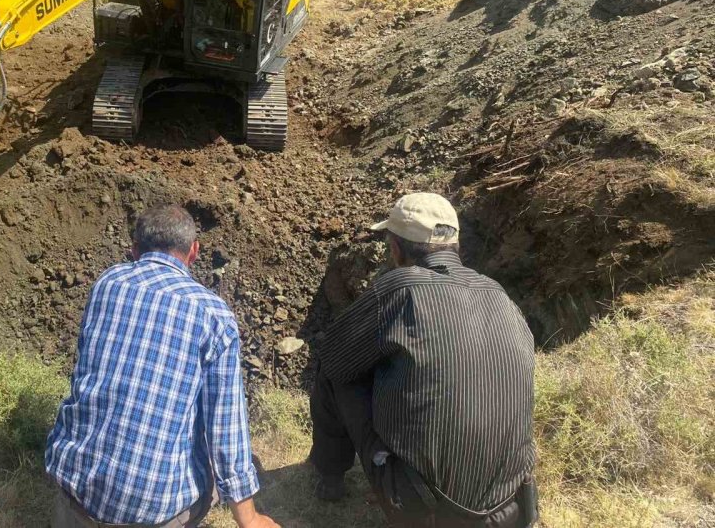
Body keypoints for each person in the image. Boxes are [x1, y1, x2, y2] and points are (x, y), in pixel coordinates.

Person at [310, 192, 538, 527]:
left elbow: (334, 355)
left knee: (335, 370)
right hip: (511, 507)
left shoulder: (400, 288)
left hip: (431, 512)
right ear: (455, 246)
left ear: (396, 249)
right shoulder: (498, 294)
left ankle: (329, 478)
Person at [45, 204, 279, 528]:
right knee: (205, 456)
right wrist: (249, 519)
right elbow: (225, 428)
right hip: (150, 510)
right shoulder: (214, 314)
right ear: (194, 251)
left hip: (76, 487)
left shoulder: (107, 283)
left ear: (134, 249)